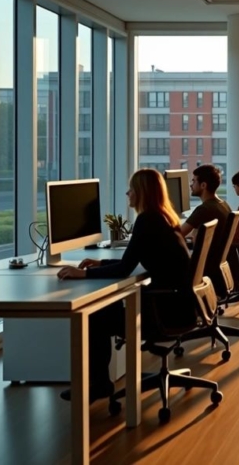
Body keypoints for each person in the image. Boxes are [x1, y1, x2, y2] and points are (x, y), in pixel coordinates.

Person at [56, 169, 190, 402]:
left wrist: (83, 274)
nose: (128, 193)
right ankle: (99, 382)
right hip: (178, 305)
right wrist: (101, 263)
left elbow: (124, 269)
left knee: (94, 316)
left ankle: (99, 385)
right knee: (102, 312)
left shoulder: (147, 219)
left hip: (163, 312)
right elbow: (132, 260)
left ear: (142, 193)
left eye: (132, 189)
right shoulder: (164, 217)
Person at [179, 164, 231, 240]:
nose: (191, 185)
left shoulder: (204, 209)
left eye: (194, 181)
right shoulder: (224, 205)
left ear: (203, 185)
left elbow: (178, 234)